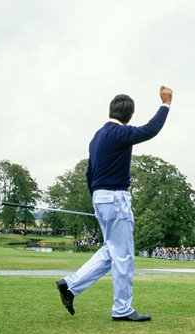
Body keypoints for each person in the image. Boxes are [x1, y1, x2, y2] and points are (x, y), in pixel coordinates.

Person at [55, 85, 173, 322]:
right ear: (129, 116)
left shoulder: (96, 137)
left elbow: (89, 173)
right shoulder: (119, 133)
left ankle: (70, 285)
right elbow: (150, 130)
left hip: (100, 197)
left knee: (111, 251)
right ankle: (122, 309)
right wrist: (165, 104)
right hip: (115, 197)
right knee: (124, 256)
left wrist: (96, 197)